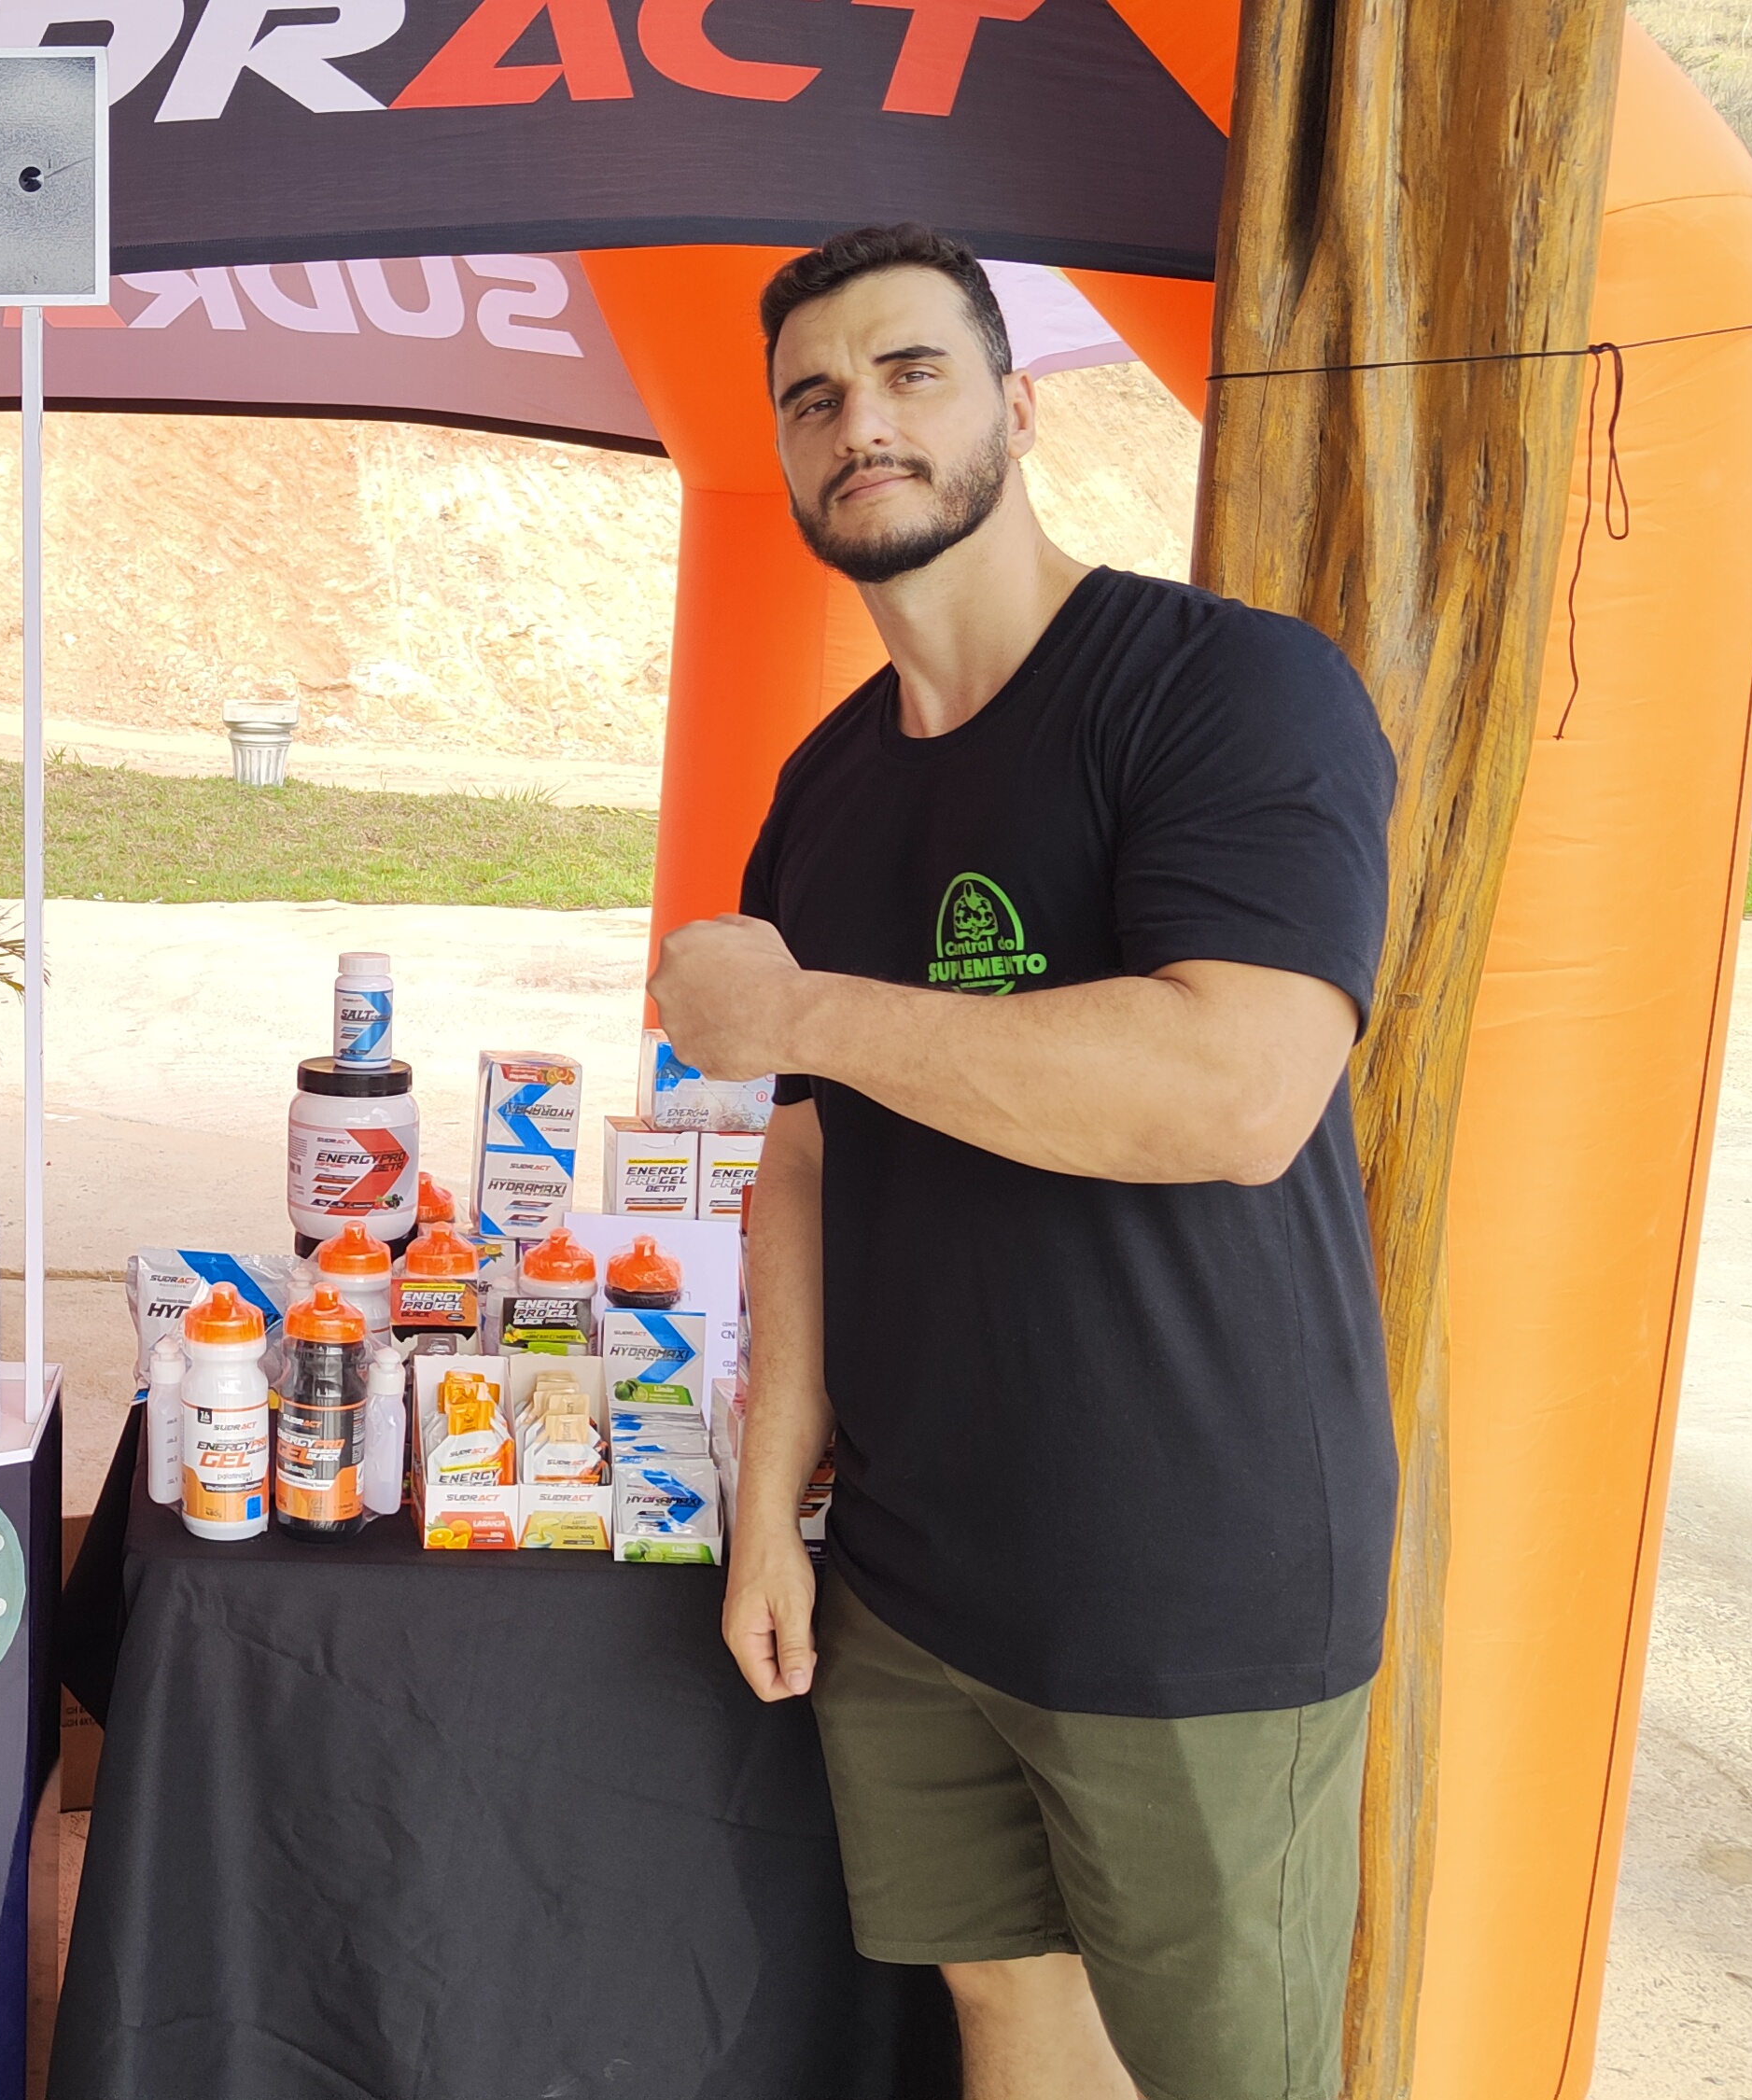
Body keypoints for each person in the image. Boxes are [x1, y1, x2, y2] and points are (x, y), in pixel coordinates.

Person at [649, 226, 1397, 2100]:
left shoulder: (1224, 689)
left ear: (1018, 404)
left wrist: (804, 1009)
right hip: (916, 1570)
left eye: (911, 371)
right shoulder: (825, 787)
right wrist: (769, 1499)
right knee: (1006, 2017)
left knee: (1224, 2076)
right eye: (813, 396)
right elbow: (803, 1160)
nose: (860, 422)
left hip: (1190, 1571)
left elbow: (1236, 1091)